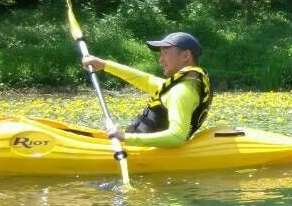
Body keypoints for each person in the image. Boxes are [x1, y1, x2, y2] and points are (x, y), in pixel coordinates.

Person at [81, 32, 212, 148]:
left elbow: (177, 136)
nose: (160, 60)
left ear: (186, 56)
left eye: (165, 53)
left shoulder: (181, 91)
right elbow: (146, 80)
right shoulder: (181, 85)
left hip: (144, 151)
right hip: (137, 145)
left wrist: (125, 137)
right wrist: (104, 65)